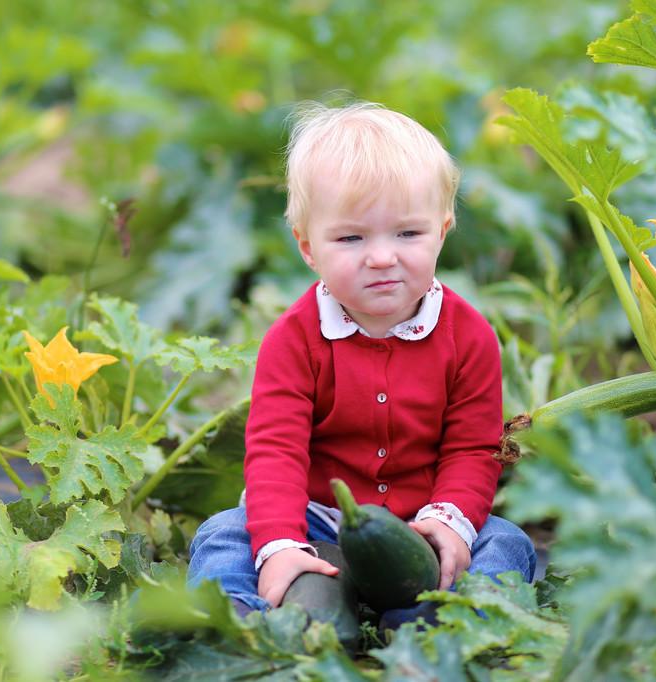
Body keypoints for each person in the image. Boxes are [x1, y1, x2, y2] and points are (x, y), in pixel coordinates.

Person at [187, 101, 536, 627]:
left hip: (422, 522)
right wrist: (281, 543)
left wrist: (450, 523)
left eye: (408, 234)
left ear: (443, 229)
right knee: (224, 534)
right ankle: (240, 617)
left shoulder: (470, 337)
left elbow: (472, 447)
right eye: (351, 238)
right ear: (308, 247)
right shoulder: (293, 340)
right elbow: (275, 452)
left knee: (506, 542)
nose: (381, 257)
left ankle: (458, 623)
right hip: (316, 520)